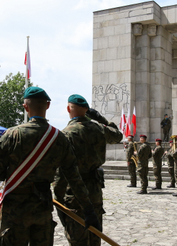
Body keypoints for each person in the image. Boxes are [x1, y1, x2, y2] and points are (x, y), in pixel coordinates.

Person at [0, 87, 100, 246]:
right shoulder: (59, 138)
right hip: (42, 207)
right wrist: (88, 210)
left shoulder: (11, 135)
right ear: (48, 106)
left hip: (15, 209)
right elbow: (74, 177)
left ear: (25, 107)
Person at [54, 94, 122, 246]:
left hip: (74, 194)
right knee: (94, 236)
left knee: (77, 239)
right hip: (94, 191)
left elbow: (61, 172)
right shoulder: (99, 128)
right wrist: (101, 119)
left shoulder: (66, 134)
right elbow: (118, 136)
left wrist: (58, 200)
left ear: (68, 109)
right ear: (87, 110)